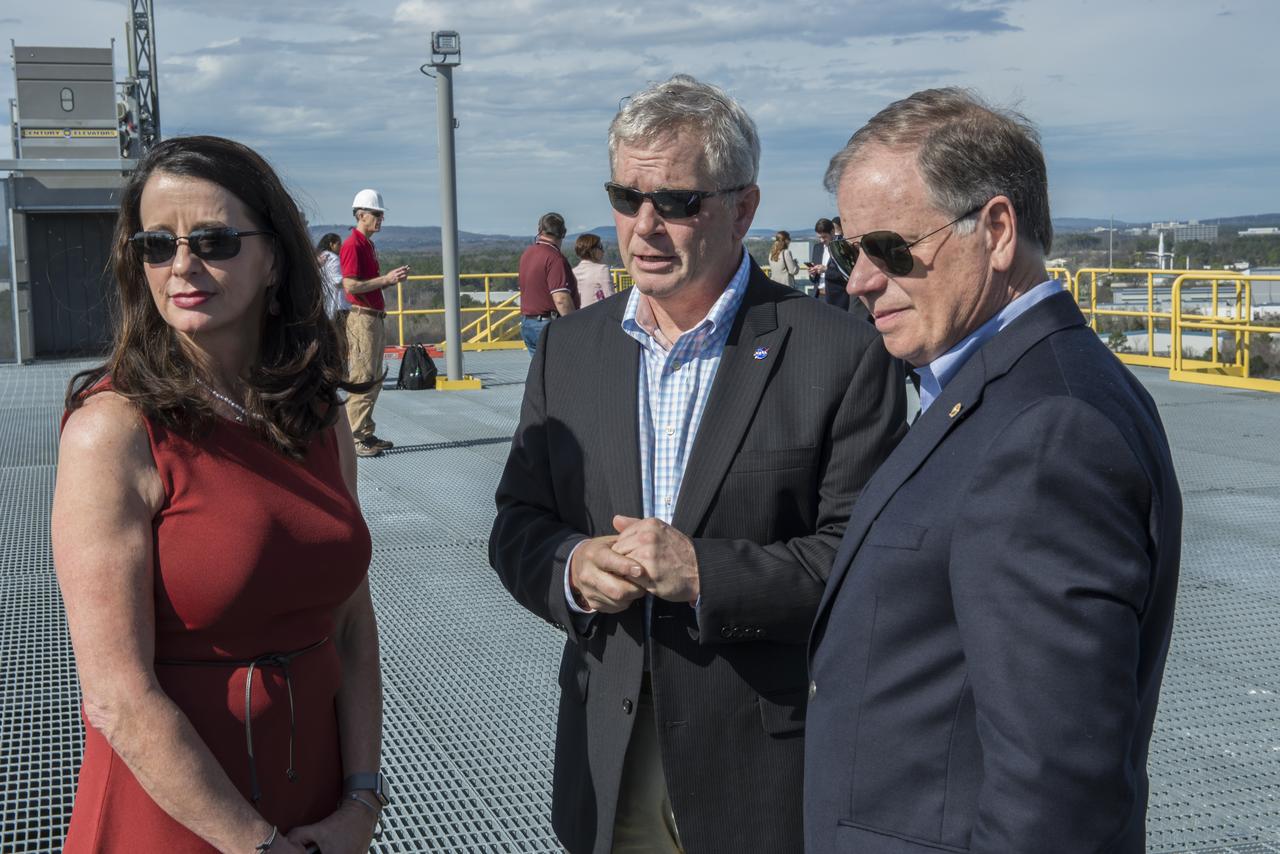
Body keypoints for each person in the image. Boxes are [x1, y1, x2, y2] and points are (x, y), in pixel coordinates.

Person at [489, 74, 905, 854]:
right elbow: (517, 525)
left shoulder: (842, 353)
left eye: (678, 202)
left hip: (762, 770)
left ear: (743, 209)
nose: (645, 227)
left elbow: (865, 565)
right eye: (626, 197)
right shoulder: (570, 351)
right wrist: (572, 567)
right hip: (609, 754)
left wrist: (705, 575)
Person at [805, 88, 1182, 853]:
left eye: (889, 248)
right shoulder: (1012, 389)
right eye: (849, 252)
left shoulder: (1048, 432)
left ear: (998, 230)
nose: (859, 280)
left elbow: (1057, 791)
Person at [52, 135, 388, 854]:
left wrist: (362, 799)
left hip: (317, 805)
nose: (182, 265)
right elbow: (117, 696)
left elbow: (352, 623)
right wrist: (255, 843)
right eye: (156, 245)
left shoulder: (317, 416)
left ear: (275, 260)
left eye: (214, 240)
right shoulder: (113, 432)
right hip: (175, 814)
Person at [340, 189, 410, 458]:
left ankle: (365, 432)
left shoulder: (366, 244)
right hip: (363, 319)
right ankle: (356, 438)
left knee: (372, 378)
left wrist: (388, 281)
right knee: (363, 378)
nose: (381, 219)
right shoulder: (353, 245)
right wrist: (386, 280)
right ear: (361, 215)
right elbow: (350, 285)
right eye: (376, 214)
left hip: (372, 318)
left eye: (381, 215)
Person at [517, 212, 577, 353]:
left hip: (527, 322)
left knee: (538, 366)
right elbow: (561, 299)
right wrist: (575, 324)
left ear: (540, 230)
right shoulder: (555, 258)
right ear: (563, 233)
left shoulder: (527, 254)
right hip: (547, 325)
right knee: (558, 366)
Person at [807, 217, 850, 310]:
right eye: (819, 237)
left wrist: (826, 270)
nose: (822, 240)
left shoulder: (842, 247)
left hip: (836, 299)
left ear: (832, 232)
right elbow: (814, 279)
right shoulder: (817, 248)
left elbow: (847, 274)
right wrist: (812, 274)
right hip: (818, 297)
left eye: (824, 237)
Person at [571, 232, 615, 308]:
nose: (603, 251)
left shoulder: (573, 271)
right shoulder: (602, 269)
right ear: (592, 250)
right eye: (600, 246)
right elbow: (611, 298)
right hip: (597, 313)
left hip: (578, 313)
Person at [316, 232, 346, 321]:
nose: (341, 246)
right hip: (337, 304)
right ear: (331, 244)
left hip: (324, 301)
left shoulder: (319, 257)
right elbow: (337, 281)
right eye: (338, 244)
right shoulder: (334, 258)